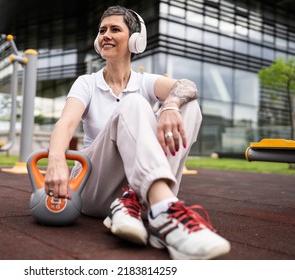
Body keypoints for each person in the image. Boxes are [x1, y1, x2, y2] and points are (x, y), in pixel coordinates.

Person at [44, 5, 230, 260]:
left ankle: (148, 207)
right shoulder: (87, 83)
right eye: (102, 30)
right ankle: (164, 210)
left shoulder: (144, 82)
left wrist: (171, 106)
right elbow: (65, 124)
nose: (106, 34)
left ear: (135, 40)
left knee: (188, 104)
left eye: (115, 29)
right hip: (94, 186)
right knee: (133, 103)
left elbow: (188, 86)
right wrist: (56, 160)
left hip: (138, 193)